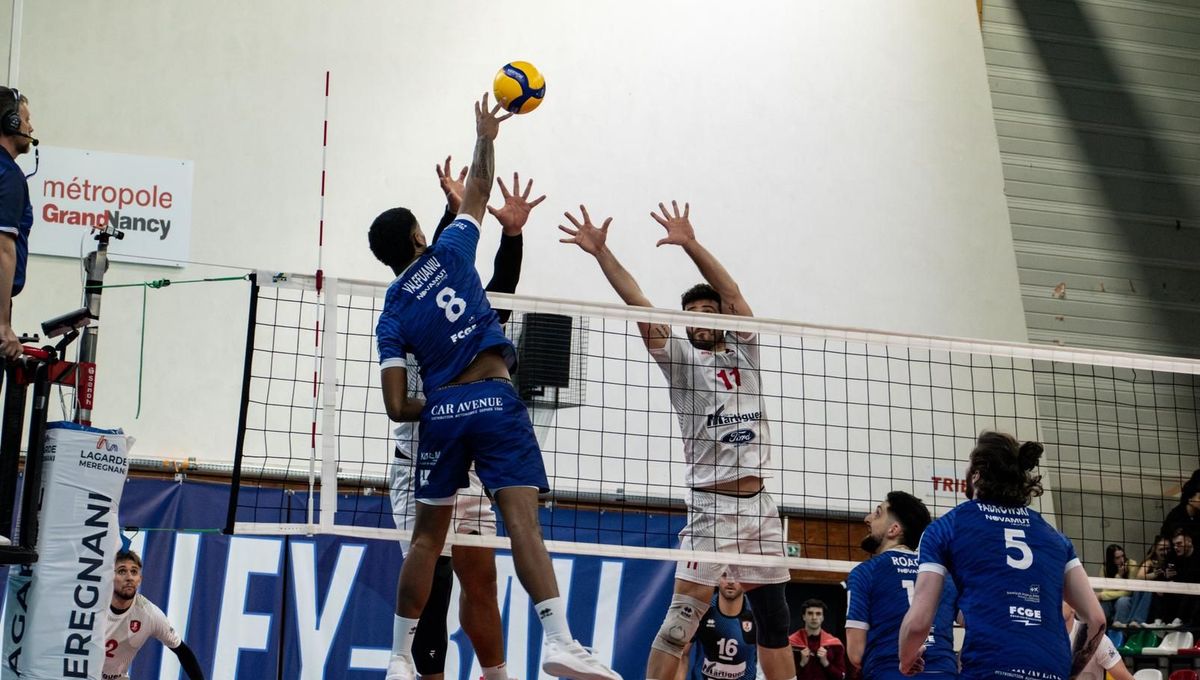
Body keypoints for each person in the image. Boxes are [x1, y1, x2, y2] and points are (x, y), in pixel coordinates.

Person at [370, 93, 619, 680]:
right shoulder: (453, 252)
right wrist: (485, 134)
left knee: (429, 545)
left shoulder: (390, 313)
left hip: (443, 412)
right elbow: (479, 187)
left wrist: (438, 400)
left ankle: (398, 659)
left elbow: (396, 405)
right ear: (418, 237)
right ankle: (558, 640)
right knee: (524, 526)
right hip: (496, 400)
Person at [559, 201, 796, 680]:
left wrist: (690, 243)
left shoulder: (745, 351)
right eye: (692, 313)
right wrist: (603, 253)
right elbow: (639, 303)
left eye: (709, 311)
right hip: (712, 509)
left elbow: (732, 291)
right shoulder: (682, 363)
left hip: (761, 506)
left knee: (775, 622)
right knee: (678, 627)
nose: (701, 318)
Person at [386, 158, 544, 680]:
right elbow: (436, 261)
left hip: (473, 452)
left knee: (482, 579)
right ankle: (418, 669)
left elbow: (494, 289)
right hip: (423, 454)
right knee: (436, 575)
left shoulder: (459, 299)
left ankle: (496, 675)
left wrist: (512, 236)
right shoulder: (404, 314)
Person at [898, 432, 1105, 680]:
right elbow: (1096, 619)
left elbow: (919, 621)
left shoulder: (946, 527)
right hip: (1052, 668)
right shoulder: (1055, 537)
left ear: (976, 474)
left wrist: (906, 659)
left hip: (990, 666)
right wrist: (1070, 672)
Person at [845, 492, 956, 680]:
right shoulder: (943, 575)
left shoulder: (864, 572)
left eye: (878, 513)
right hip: (943, 673)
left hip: (889, 672)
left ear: (894, 530)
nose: (868, 519)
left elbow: (856, 654)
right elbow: (972, 622)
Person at [103, 550, 205, 680]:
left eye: (134, 572)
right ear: (110, 577)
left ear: (140, 580)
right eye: (122, 571)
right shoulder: (92, 605)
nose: (129, 577)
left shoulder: (149, 614)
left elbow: (182, 651)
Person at [0, 85, 34, 364]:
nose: (31, 127)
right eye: (25, 119)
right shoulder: (8, 175)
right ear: (11, 124)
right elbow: (3, 250)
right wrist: (2, 324)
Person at [677, 573, 758, 680]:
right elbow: (681, 654)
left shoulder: (758, 613)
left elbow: (771, 658)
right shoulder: (701, 609)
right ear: (716, 577)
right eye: (724, 575)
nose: (730, 581)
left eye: (736, 576)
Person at [1063, 604, 1133, 680]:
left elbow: (1126, 678)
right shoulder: (1048, 638)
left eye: (1060, 599)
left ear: (1073, 606)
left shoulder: (1094, 636)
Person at [788, 599, 845, 680]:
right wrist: (801, 663)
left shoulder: (834, 645)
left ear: (823, 617)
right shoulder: (791, 644)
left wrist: (826, 663)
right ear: (804, 616)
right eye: (810, 613)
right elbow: (783, 676)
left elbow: (841, 676)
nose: (814, 617)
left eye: (818, 614)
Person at [1096, 544, 1134, 626]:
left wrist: (1102, 595)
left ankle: (1119, 632)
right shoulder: (1105, 568)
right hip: (1112, 599)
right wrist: (1118, 576)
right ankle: (1100, 630)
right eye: (1117, 558)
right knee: (1103, 604)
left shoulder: (1131, 564)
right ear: (1111, 559)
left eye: (1123, 556)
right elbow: (1105, 590)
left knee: (1122, 601)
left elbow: (1129, 592)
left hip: (1128, 599)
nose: (1122, 560)